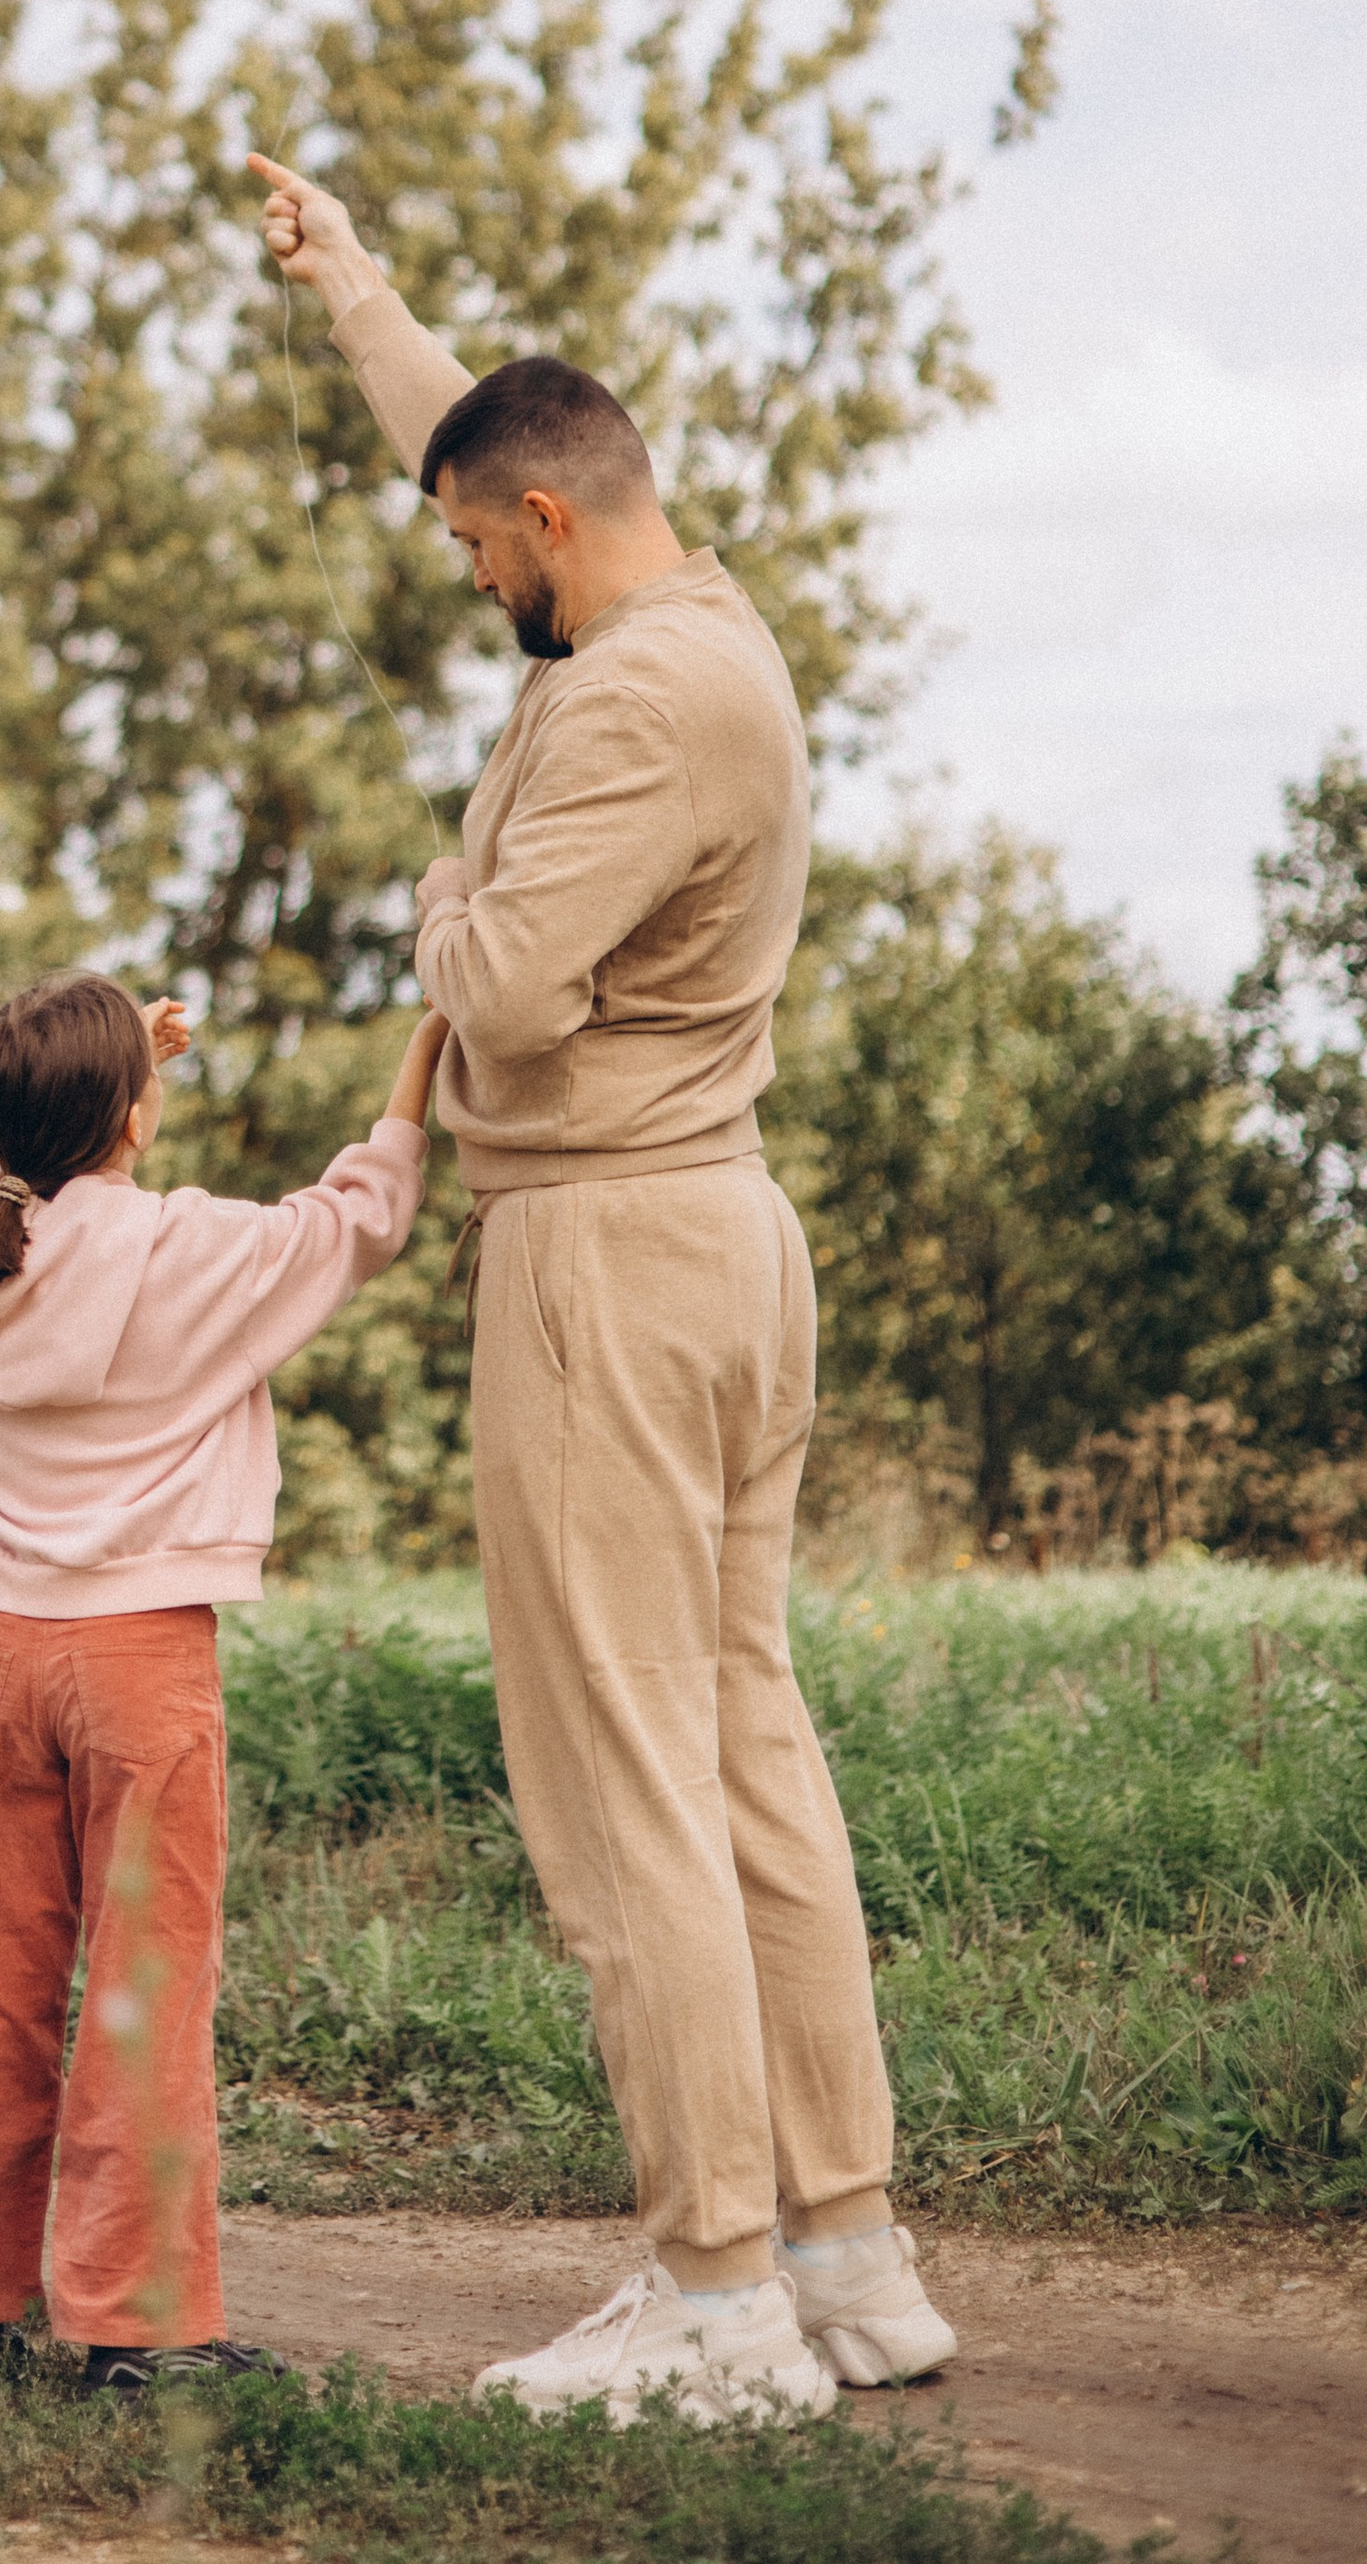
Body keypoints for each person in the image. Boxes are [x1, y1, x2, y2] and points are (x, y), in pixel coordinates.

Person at [248, 153, 956, 2428]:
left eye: (471, 553)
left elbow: (514, 989)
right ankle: (846, 2262)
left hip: (604, 1263)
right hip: (718, 1239)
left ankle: (714, 2297)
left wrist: (432, 906)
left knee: (620, 1779)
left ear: (548, 530)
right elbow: (475, 425)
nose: (466, 581)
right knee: (740, 1750)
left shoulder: (634, 707)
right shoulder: (686, 607)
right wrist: (349, 281)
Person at [0, 968, 448, 2392]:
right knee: (146, 1983)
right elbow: (355, 1219)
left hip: (5, 1660)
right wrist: (420, 1064)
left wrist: (109, 1085)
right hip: (143, 1661)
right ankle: (140, 2327)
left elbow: (31, 1178)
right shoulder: (189, 1251)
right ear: (134, 1114)